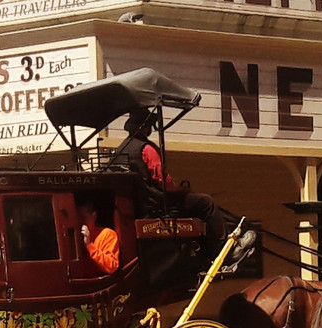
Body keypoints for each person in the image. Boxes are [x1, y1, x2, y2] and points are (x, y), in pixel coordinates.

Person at [115, 108, 254, 267]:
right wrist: (181, 191)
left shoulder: (119, 150)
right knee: (205, 203)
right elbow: (162, 181)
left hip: (137, 205)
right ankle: (225, 251)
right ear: (146, 127)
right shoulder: (146, 149)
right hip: (156, 203)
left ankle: (206, 250)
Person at [77, 200, 120, 274]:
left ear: (94, 216)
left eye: (83, 217)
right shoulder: (75, 237)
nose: (81, 221)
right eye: (78, 218)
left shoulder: (107, 234)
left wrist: (89, 245)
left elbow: (112, 266)